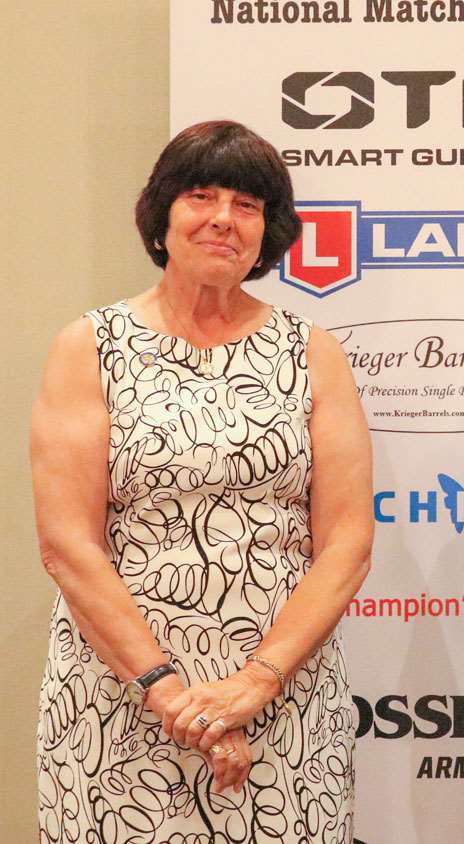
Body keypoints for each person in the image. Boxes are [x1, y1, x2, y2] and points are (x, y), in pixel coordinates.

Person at [31, 120, 373, 842]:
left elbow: (346, 542)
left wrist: (256, 683)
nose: (223, 218)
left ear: (268, 230)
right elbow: (68, 545)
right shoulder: (90, 347)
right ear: (163, 214)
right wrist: (167, 691)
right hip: (118, 699)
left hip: (283, 696)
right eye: (200, 194)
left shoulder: (313, 353)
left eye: (247, 205)